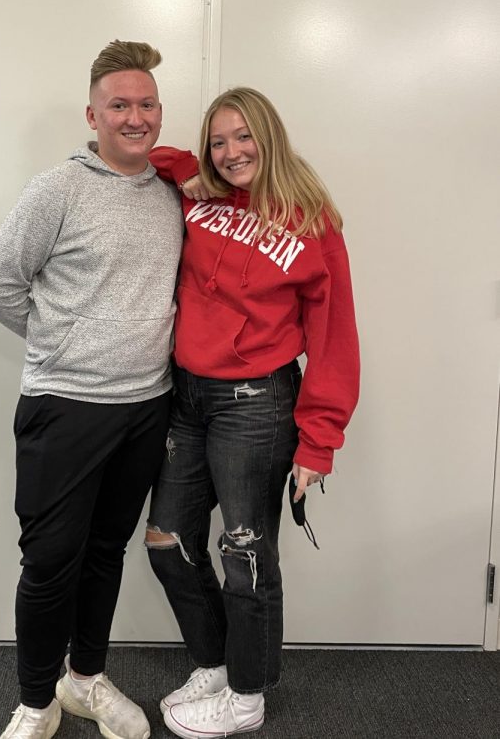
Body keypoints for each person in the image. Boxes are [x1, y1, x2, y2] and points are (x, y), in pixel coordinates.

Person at [0, 40, 183, 739]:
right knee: (49, 562)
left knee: (104, 553)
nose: (134, 116)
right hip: (64, 408)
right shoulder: (56, 190)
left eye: (146, 103)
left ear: (159, 111)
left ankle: (85, 679)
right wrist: (59, 341)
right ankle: (37, 701)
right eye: (119, 104)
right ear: (91, 114)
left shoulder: (168, 195)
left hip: (145, 408)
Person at [144, 87, 360, 739]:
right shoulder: (200, 198)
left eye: (243, 137)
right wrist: (187, 166)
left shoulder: (310, 223)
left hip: (256, 405)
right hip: (187, 399)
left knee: (245, 554)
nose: (231, 152)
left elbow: (333, 335)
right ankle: (214, 660)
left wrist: (317, 440)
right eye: (218, 140)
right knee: (166, 543)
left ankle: (247, 695)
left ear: (269, 137)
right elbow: (156, 154)